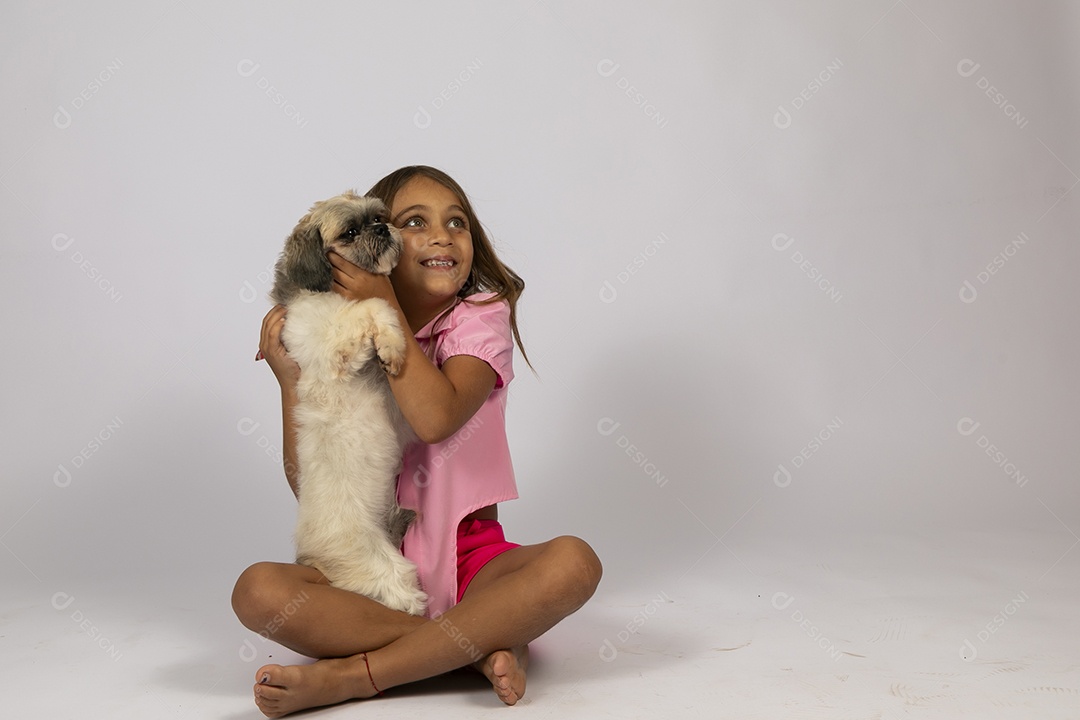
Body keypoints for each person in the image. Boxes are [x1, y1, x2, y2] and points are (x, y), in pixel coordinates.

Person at [232, 166, 602, 717]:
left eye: (458, 222)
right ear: (374, 246)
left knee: (575, 563)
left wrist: (381, 307)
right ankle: (469, 648)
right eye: (413, 222)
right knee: (257, 590)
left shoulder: (480, 318)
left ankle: (359, 676)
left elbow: (436, 418)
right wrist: (290, 382)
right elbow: (314, 489)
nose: (441, 234)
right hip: (370, 563)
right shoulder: (343, 333)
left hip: (471, 555)